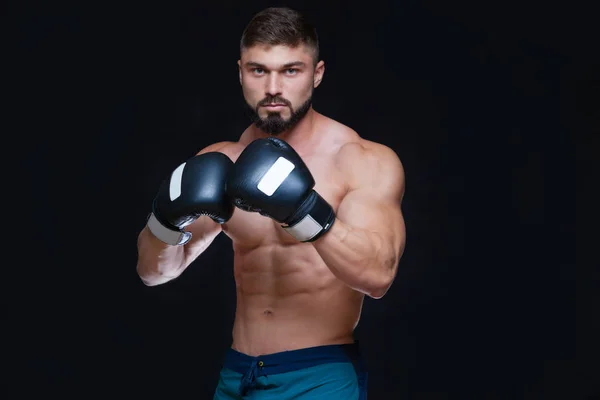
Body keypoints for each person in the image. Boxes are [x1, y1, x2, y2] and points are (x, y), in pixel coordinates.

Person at [136, 7, 406, 400]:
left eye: (291, 70)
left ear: (317, 73)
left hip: (318, 374)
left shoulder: (361, 160)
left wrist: (302, 210)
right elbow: (153, 272)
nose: (273, 87)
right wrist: (164, 221)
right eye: (259, 70)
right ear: (241, 72)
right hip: (236, 376)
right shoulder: (222, 161)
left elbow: (378, 276)